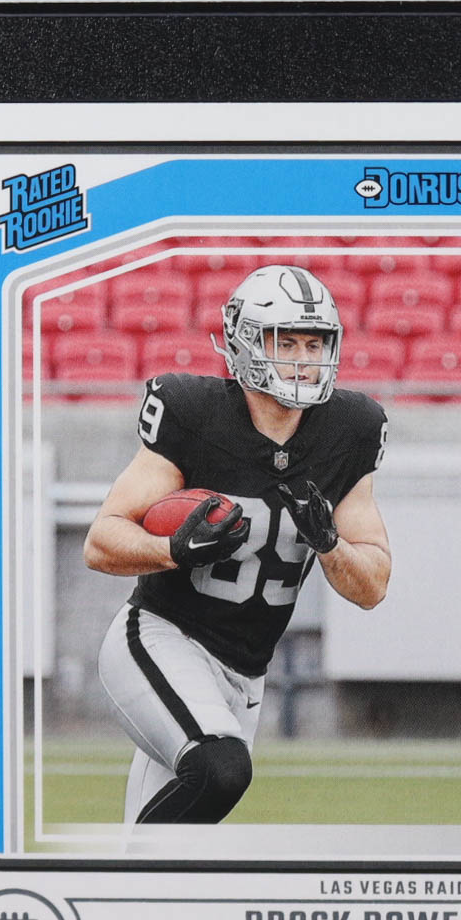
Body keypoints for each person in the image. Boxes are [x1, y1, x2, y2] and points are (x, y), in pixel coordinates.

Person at [84, 264, 391, 824]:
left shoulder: (351, 428)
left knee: (165, 846)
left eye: (314, 344)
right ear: (245, 342)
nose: (303, 359)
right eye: (285, 342)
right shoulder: (193, 412)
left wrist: (330, 545)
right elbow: (101, 542)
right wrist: (173, 550)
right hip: (162, 637)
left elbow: (372, 587)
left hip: (247, 673)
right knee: (219, 770)